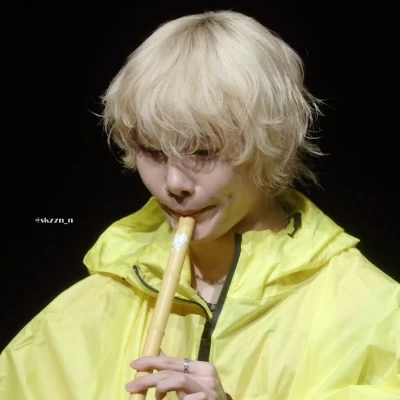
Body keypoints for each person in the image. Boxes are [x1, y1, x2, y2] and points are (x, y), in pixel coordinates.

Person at [1, 10, 399, 400]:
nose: (174, 184)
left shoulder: (371, 310)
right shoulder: (86, 308)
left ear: (274, 141)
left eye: (203, 151)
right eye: (152, 151)